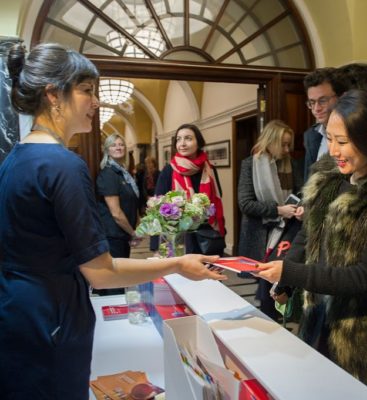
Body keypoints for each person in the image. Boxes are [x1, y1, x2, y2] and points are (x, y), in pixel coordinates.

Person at [0, 42, 226, 400]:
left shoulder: (15, 158)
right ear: (53, 94)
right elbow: (101, 272)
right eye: (87, 91)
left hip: (20, 311)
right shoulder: (62, 165)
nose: (96, 102)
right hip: (51, 317)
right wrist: (177, 264)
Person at [257, 89, 367, 400]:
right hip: (320, 318)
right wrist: (286, 277)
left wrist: (292, 273)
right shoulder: (329, 180)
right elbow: (307, 235)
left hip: (366, 337)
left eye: (343, 142)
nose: (333, 151)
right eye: (330, 139)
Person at [237, 120, 303, 320]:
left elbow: (302, 192)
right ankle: (270, 323)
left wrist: (301, 208)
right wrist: (278, 210)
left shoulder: (292, 164)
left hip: (288, 232)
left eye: (288, 144)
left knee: (280, 280)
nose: (287, 149)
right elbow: (246, 204)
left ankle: (279, 319)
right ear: (270, 141)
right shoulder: (250, 164)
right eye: (283, 144)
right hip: (261, 234)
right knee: (266, 282)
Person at [150, 123, 225, 254]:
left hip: (207, 238)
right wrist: (156, 246)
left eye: (188, 138)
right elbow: (157, 211)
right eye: (178, 139)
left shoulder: (210, 170)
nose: (182, 144)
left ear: (198, 143)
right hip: (180, 238)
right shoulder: (169, 171)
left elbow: (217, 203)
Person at [94, 133, 140, 295]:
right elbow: (116, 213)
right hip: (112, 236)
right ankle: (113, 309)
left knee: (120, 280)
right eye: (114, 145)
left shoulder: (122, 173)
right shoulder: (108, 174)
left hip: (122, 236)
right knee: (114, 283)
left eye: (121, 144)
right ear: (107, 150)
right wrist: (133, 233)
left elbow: (131, 203)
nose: (118, 147)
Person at [303, 68, 347, 181]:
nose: (316, 108)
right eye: (312, 102)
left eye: (322, 100)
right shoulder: (311, 136)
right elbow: (308, 182)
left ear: (342, 97)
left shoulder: (357, 132)